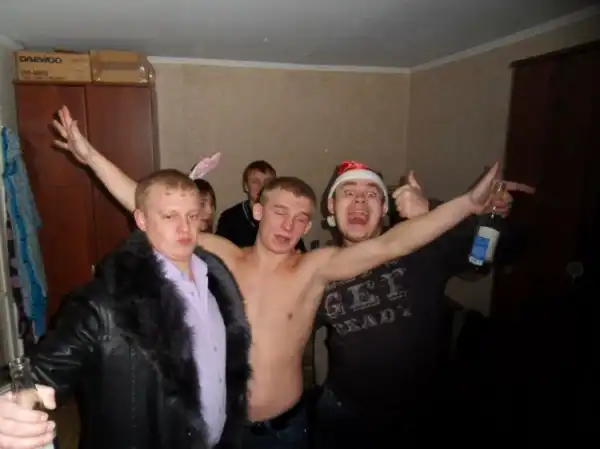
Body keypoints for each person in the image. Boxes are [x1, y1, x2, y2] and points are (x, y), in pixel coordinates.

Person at [37, 105, 502, 449]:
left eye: (300, 219)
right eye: (279, 212)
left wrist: (466, 205)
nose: (288, 226)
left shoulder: (314, 268)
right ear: (258, 211)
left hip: (287, 428)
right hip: (224, 425)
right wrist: (89, 156)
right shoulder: (224, 255)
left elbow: (392, 245)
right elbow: (150, 205)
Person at [0, 169, 251, 449]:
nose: (185, 228)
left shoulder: (217, 281)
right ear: (141, 220)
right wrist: (7, 406)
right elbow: (40, 371)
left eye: (192, 216)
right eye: (170, 216)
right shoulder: (104, 303)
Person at [314, 164, 535, 448]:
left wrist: (436, 211)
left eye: (371, 194)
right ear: (331, 207)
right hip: (345, 417)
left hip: (418, 415)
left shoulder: (420, 244)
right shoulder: (318, 272)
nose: (359, 200)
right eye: (348, 192)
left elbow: (495, 256)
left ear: (384, 208)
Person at [215, 160, 306, 252]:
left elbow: (300, 252)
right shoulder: (229, 218)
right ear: (246, 186)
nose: (262, 186)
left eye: (268, 182)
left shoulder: (285, 216)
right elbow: (218, 253)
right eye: (255, 182)